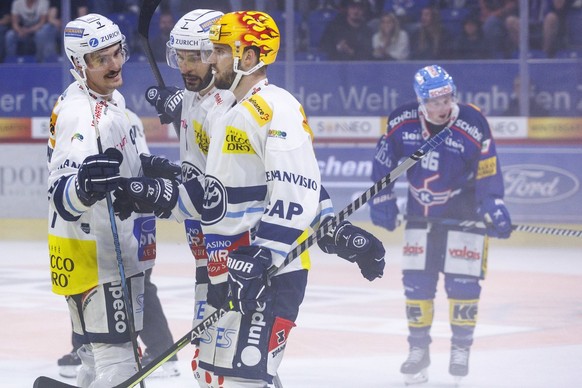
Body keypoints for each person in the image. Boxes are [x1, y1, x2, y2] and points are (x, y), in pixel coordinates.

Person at [114, 9, 385, 387]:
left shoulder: (277, 107)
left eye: (218, 51)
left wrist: (265, 254)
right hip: (227, 264)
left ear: (250, 57)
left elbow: (297, 188)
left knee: (242, 381)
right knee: (213, 376)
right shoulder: (227, 110)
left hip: (266, 272)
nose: (208, 60)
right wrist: (154, 190)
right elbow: (218, 196)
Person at [369, 64, 512, 385]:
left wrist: (494, 204)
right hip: (421, 215)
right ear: (420, 101)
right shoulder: (401, 121)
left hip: (465, 214)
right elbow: (383, 161)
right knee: (417, 285)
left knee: (463, 286)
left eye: (446, 99)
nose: (442, 108)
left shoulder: (473, 121)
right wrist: (382, 197)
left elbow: (489, 166)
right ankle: (418, 351)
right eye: (433, 102)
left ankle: (461, 348)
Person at [47, 13, 161, 387]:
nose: (114, 65)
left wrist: (148, 171)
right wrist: (82, 186)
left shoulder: (107, 99)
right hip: (98, 256)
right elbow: (61, 191)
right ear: (79, 65)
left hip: (96, 253)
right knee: (119, 365)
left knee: (97, 361)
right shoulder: (82, 114)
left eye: (117, 53)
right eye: (100, 59)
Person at [56, 107, 181, 380]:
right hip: (135, 212)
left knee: (134, 284)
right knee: (104, 284)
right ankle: (88, 346)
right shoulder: (122, 116)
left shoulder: (115, 118)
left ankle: (162, 352)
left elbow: (136, 168)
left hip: (128, 214)